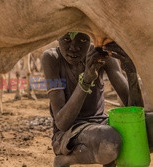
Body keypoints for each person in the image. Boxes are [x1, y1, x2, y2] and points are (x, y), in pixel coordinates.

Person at [41, 32, 144, 167]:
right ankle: (65, 159)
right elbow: (62, 123)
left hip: (101, 124)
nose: (74, 47)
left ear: (91, 38)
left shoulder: (100, 55)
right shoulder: (51, 58)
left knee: (149, 128)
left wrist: (131, 72)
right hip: (69, 133)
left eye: (82, 40)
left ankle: (110, 158)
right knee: (109, 141)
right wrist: (86, 81)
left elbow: (135, 112)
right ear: (56, 36)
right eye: (67, 39)